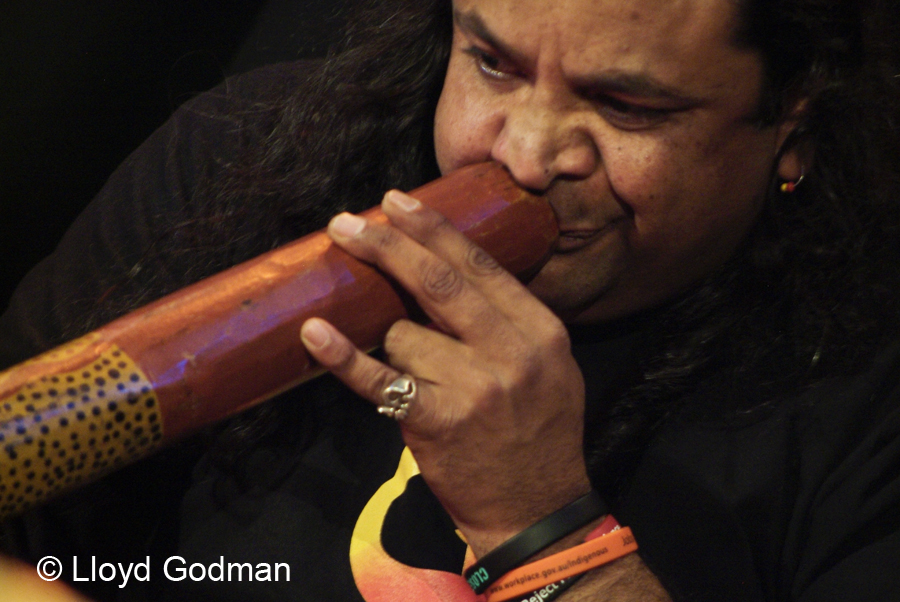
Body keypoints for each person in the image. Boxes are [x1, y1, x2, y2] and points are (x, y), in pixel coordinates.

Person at [1, 0, 899, 600]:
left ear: (794, 128)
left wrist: (540, 523)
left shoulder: (865, 397)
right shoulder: (246, 160)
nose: (526, 154)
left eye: (627, 107)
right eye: (493, 66)